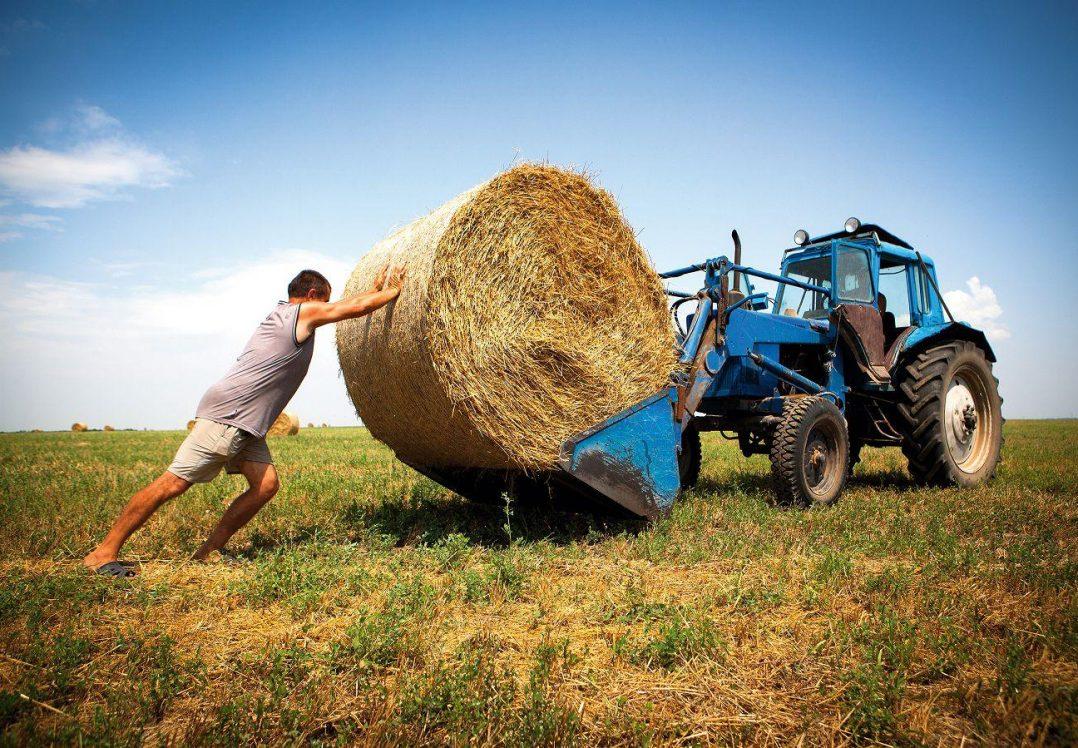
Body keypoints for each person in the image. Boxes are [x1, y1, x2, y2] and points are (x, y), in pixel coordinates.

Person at [82, 265, 404, 577]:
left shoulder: (284, 316)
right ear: (311, 294)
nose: (327, 309)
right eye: (325, 301)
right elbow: (353, 309)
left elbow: (349, 304)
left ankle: (208, 552)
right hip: (230, 415)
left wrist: (374, 290)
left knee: (265, 486)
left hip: (248, 422)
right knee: (173, 484)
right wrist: (392, 292)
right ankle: (103, 553)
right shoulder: (298, 314)